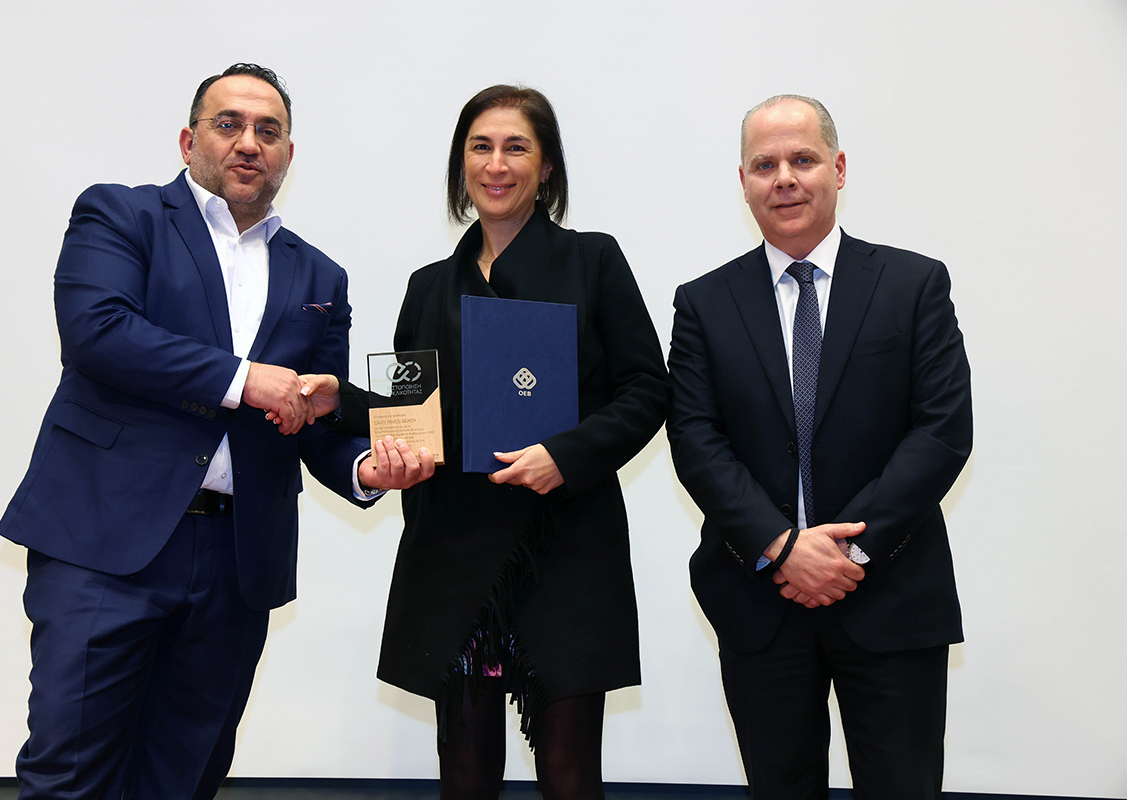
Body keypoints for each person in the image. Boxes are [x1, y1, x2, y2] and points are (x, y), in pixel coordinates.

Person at [0, 63, 432, 799]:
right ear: (187, 140)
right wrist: (245, 379)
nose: (248, 142)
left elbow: (311, 417)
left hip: (237, 562)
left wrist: (365, 467)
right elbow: (98, 331)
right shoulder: (121, 214)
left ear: (288, 154)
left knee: (185, 777)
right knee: (70, 773)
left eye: (269, 130)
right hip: (105, 544)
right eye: (228, 124)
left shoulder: (320, 277)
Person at [363, 85, 669, 799]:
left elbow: (647, 390)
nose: (496, 165)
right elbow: (409, 414)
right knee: (465, 774)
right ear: (461, 163)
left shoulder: (594, 260)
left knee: (569, 771)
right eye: (480, 147)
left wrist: (566, 455)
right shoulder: (426, 287)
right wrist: (343, 409)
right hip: (455, 555)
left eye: (516, 147)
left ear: (547, 166)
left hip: (565, 549)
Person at [667, 94, 972, 799]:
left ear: (837, 169)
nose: (784, 179)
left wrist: (846, 553)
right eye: (764, 164)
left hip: (891, 593)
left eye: (802, 160)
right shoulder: (704, 303)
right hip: (761, 601)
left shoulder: (913, 284)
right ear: (742, 181)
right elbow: (695, 438)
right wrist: (781, 546)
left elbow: (942, 430)